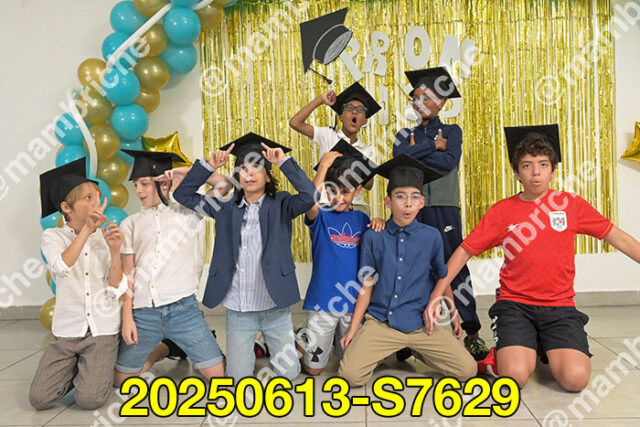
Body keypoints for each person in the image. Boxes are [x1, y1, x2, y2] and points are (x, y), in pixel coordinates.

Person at [426, 125, 640, 391]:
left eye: (543, 164)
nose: (536, 172)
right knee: (514, 377)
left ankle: (542, 343)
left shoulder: (570, 204)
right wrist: (437, 293)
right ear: (517, 173)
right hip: (515, 305)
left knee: (575, 380)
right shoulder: (502, 211)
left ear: (553, 170)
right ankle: (507, 351)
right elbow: (463, 251)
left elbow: (618, 237)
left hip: (559, 306)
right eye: (527, 166)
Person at [173, 133, 317, 382]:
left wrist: (284, 162)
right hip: (240, 308)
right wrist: (208, 167)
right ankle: (260, 346)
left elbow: (310, 196)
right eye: (243, 169)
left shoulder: (281, 204)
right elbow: (183, 196)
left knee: (289, 375)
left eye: (256, 168)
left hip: (274, 306)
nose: (249, 174)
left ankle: (292, 342)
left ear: (268, 175)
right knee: (238, 378)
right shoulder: (224, 206)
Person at [338, 154, 477, 387]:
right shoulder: (374, 236)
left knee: (467, 370)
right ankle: (385, 350)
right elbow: (367, 285)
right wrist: (353, 329)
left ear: (422, 202)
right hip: (382, 323)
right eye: (400, 197)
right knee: (350, 376)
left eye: (414, 197)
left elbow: (441, 278)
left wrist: (454, 316)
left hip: (420, 325)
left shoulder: (432, 237)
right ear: (388, 201)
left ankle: (418, 349)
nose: (408, 204)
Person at [393, 66, 487, 361]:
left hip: (444, 208)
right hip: (412, 209)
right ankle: (408, 332)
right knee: (410, 267)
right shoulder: (404, 134)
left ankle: (471, 332)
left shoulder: (453, 131)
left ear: (442, 102)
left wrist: (418, 152)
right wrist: (433, 145)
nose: (420, 102)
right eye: (416, 97)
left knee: (453, 268)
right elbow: (399, 159)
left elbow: (448, 162)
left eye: (427, 97)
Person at [113, 150, 225, 386]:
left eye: (144, 184)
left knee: (218, 377)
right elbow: (127, 273)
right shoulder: (130, 223)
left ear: (163, 183)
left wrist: (188, 172)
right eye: (136, 185)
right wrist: (128, 318)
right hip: (144, 312)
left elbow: (224, 185)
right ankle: (165, 348)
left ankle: (183, 341)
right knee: (121, 380)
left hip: (183, 309)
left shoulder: (189, 212)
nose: (139, 191)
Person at [31, 158, 128, 410]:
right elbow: (61, 266)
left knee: (90, 400)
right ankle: (79, 368)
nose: (97, 203)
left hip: (101, 331)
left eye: (98, 198)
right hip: (67, 331)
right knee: (40, 399)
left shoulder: (106, 237)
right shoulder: (52, 236)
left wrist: (114, 251)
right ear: (66, 207)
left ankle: (94, 367)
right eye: (88, 198)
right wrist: (87, 230)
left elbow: (116, 289)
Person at [300, 140, 384, 375]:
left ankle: (335, 343)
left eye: (346, 191)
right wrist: (323, 167)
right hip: (323, 302)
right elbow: (309, 201)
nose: (338, 197)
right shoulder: (321, 215)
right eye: (332, 190)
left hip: (353, 303)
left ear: (357, 191)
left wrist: (379, 221)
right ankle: (302, 344)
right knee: (314, 369)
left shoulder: (362, 219)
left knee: (354, 364)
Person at [289, 82, 381, 214]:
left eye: (360, 109)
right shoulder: (327, 135)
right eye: (349, 107)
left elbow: (369, 184)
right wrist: (320, 100)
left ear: (365, 121)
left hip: (356, 205)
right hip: (327, 202)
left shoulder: (367, 150)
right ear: (340, 117)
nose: (355, 111)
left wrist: (352, 161)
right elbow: (295, 123)